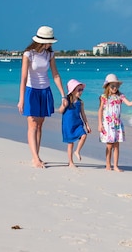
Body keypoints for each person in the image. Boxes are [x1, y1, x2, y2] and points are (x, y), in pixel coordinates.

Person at [17, 25, 66, 168]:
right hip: (31, 91)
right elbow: (24, 78)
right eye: (49, 41)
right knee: (32, 124)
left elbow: (55, 75)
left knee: (40, 125)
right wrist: (21, 99)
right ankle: (35, 158)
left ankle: (36, 156)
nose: (51, 44)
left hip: (45, 90)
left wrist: (63, 95)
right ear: (41, 40)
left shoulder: (50, 54)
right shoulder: (28, 54)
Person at [98, 73, 132, 171]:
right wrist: (99, 124)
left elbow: (129, 103)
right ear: (107, 86)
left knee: (117, 145)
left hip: (117, 124)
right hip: (107, 124)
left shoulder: (120, 96)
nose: (115, 88)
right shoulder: (104, 97)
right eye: (112, 86)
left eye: (116, 86)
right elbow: (100, 110)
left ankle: (115, 165)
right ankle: (107, 165)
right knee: (109, 145)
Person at [59, 79, 91, 167]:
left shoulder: (80, 102)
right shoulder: (66, 100)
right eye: (79, 90)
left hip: (78, 123)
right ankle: (70, 162)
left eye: (82, 90)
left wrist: (87, 125)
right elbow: (60, 111)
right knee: (70, 143)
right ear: (72, 91)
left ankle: (77, 151)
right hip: (68, 125)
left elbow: (83, 114)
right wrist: (63, 105)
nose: (81, 92)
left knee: (84, 135)